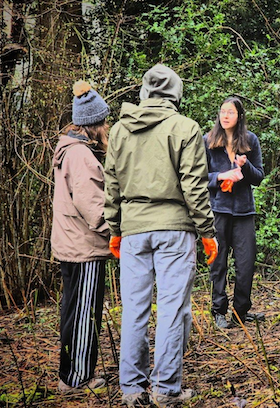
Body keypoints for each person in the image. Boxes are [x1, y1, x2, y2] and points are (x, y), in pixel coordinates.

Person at [104, 64, 218, 407]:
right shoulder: (186, 128)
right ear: (176, 94)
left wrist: (114, 229)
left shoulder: (119, 131)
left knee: (134, 309)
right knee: (171, 308)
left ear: (145, 92)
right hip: (175, 230)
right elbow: (194, 187)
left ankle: (132, 391)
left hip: (134, 230)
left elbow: (112, 185)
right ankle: (166, 390)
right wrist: (208, 232)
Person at [52, 80, 113, 395]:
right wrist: (115, 234)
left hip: (72, 245)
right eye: (104, 122)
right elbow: (94, 209)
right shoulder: (81, 156)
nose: (107, 128)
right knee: (85, 314)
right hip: (84, 248)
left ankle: (73, 374)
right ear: (94, 124)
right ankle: (76, 379)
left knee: (75, 310)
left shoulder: (70, 148)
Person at [205, 96, 265, 331]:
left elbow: (258, 177)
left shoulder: (250, 141)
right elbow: (197, 176)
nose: (225, 115)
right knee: (218, 262)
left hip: (243, 212)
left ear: (239, 116)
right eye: (222, 111)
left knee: (246, 263)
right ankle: (218, 310)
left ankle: (241, 312)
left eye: (230, 112)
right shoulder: (207, 141)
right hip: (218, 210)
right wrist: (220, 176)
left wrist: (245, 165)